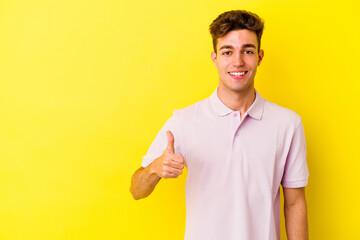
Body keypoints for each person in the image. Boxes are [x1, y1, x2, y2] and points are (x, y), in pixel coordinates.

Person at [130, 10, 309, 240]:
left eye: (248, 51)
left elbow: (295, 203)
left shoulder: (288, 124)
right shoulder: (184, 121)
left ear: (260, 57)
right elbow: (136, 190)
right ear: (215, 58)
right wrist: (155, 168)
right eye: (227, 51)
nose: (238, 61)